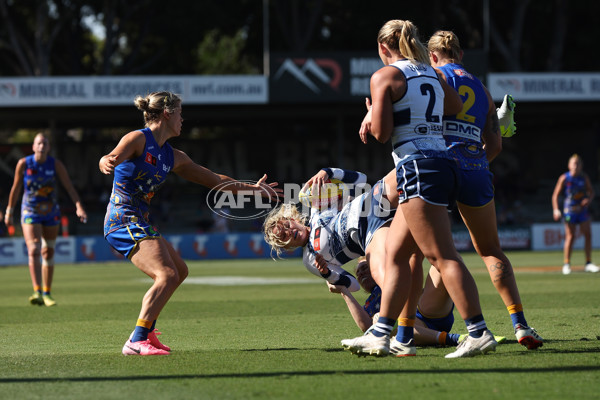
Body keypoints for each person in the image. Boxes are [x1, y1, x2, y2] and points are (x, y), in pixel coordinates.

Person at [342, 19, 497, 359]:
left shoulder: (384, 76)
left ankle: (478, 331)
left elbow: (382, 134)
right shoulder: (432, 72)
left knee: (441, 256)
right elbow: (455, 108)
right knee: (396, 255)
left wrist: (372, 115)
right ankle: (382, 333)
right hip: (442, 163)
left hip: (416, 167)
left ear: (384, 48)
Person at [99, 91, 281, 356]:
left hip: (139, 220)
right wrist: (105, 161)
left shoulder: (172, 156)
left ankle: (147, 332)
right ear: (167, 113)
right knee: (167, 274)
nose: (183, 119)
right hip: (121, 219)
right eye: (181, 113)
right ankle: (136, 340)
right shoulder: (138, 138)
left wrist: (253, 189)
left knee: (179, 271)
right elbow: (110, 157)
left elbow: (216, 180)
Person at [427, 30, 543, 349]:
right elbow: (495, 146)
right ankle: (520, 325)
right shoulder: (482, 88)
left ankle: (402, 331)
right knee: (491, 249)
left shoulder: (431, 76)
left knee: (409, 252)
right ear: (461, 55)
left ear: (432, 55)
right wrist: (473, 160)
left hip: (437, 167)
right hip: (475, 168)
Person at [4, 132, 88, 307]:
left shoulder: (55, 164)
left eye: (45, 143)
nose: (42, 146)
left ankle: (47, 293)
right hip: (30, 210)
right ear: (33, 147)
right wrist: (9, 211)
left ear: (48, 148)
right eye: (39, 143)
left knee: (47, 251)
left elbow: (69, 187)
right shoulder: (24, 163)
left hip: (51, 211)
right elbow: (16, 188)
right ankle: (37, 291)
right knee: (34, 248)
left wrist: (78, 206)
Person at [551, 154, 599, 275]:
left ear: (581, 166)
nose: (576, 166)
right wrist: (556, 209)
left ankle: (588, 263)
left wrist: (588, 199)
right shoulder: (564, 178)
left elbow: (591, 192)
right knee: (570, 236)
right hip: (569, 210)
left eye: (578, 164)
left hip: (582, 210)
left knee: (588, 234)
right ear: (569, 165)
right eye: (574, 163)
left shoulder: (584, 177)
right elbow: (555, 195)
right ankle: (567, 263)